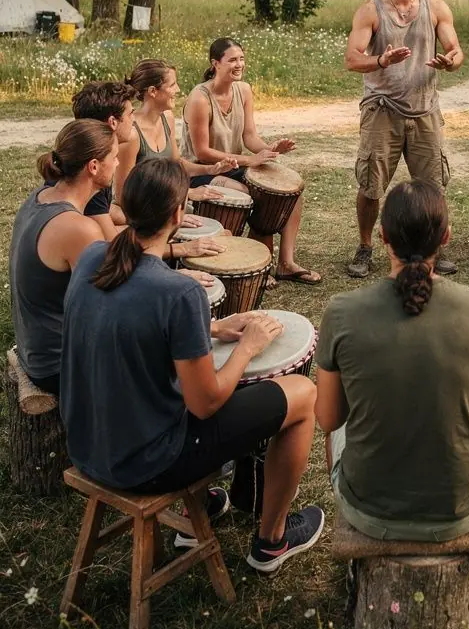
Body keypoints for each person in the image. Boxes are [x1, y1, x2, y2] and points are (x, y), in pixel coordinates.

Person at [60, 158, 325, 574]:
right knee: (304, 394)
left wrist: (213, 328)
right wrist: (247, 347)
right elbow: (206, 404)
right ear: (180, 214)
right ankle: (272, 541)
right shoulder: (177, 292)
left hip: (88, 446)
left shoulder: (94, 256)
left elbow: (130, 323)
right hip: (147, 464)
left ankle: (199, 507)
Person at [315, 180, 469, 543]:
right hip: (458, 510)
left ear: (382, 236)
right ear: (447, 237)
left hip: (367, 510)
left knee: (338, 430)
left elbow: (328, 419)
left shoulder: (341, 312)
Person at [344, 0, 464, 279]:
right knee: (371, 186)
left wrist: (450, 61)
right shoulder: (370, 11)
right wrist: (382, 59)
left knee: (433, 187)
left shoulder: (436, 6)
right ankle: (366, 247)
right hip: (382, 109)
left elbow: (456, 50)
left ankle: (434, 248)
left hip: (425, 109)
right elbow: (352, 58)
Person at [181, 37, 320, 284]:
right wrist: (249, 160)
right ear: (215, 63)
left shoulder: (243, 90)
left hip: (235, 166)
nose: (239, 64)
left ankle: (286, 263)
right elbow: (202, 152)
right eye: (232, 60)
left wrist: (269, 149)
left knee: (292, 193)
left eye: (241, 59)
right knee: (245, 192)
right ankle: (243, 259)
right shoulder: (199, 98)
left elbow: (249, 136)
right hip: (202, 171)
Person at [10, 121, 120, 397]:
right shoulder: (78, 228)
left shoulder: (41, 196)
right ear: (93, 166)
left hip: (36, 349)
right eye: (114, 157)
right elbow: (112, 304)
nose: (118, 163)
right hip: (57, 366)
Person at [117, 59, 240, 194]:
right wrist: (190, 193)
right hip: (145, 211)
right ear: (153, 91)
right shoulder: (132, 134)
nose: (178, 89)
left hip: (167, 202)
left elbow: (176, 164)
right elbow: (124, 194)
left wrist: (211, 169)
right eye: (172, 85)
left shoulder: (167, 117)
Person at [42, 82, 136, 237]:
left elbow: (100, 208)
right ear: (113, 122)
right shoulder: (93, 170)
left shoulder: (78, 150)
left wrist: (135, 220)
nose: (134, 120)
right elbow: (109, 240)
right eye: (130, 114)